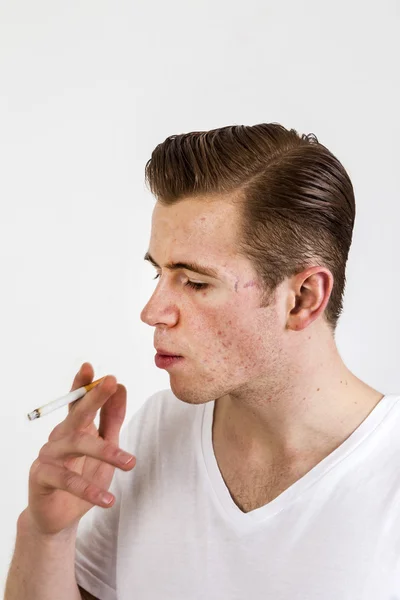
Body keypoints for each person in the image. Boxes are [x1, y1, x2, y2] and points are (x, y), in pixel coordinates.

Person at [5, 123, 400, 600]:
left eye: (194, 282)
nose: (151, 312)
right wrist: (47, 535)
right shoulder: (156, 430)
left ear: (302, 298)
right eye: (158, 272)